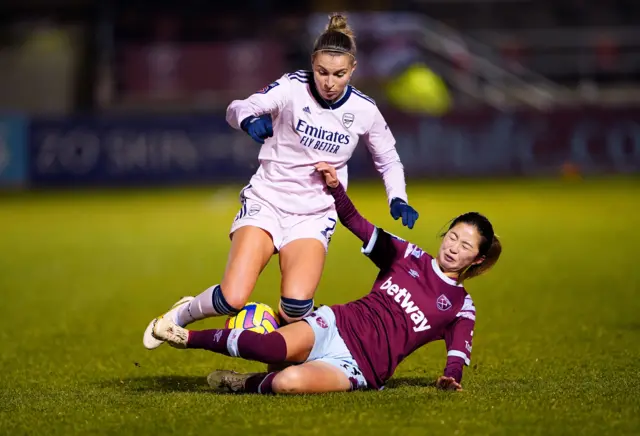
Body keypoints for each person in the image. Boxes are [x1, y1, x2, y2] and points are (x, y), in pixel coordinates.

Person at [142, 13, 419, 350]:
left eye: (339, 74)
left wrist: (398, 197)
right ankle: (181, 315)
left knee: (296, 307)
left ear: (353, 69)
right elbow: (238, 106)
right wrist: (248, 121)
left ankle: (278, 355)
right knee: (232, 297)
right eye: (322, 72)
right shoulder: (291, 87)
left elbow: (387, 157)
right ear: (312, 64)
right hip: (268, 201)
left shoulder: (365, 110)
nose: (329, 82)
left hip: (314, 214)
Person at [149, 162, 502, 394]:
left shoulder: (461, 307)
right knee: (265, 345)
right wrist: (335, 188)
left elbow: (457, 354)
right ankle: (182, 335)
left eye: (466, 245)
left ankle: (244, 383)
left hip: (361, 367)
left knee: (286, 383)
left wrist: (450, 378)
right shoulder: (407, 255)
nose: (454, 247)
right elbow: (357, 223)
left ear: (478, 258)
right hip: (336, 323)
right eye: (453, 236)